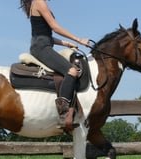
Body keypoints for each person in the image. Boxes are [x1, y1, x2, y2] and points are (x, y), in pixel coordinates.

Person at [20, 0, 90, 131]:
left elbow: (46, 35)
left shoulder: (35, 3)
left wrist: (67, 44)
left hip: (42, 45)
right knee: (72, 71)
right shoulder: (39, 2)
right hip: (42, 48)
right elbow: (55, 27)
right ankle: (63, 115)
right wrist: (79, 39)